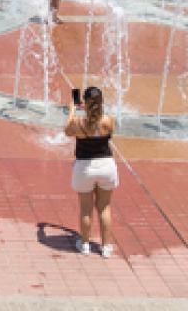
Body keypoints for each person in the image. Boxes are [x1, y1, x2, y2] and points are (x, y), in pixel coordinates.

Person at [66, 85, 118, 257]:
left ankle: (85, 244)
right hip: (106, 166)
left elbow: (67, 130)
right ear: (101, 102)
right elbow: (106, 132)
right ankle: (106, 247)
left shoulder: (79, 123)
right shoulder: (109, 120)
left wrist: (73, 110)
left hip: (85, 168)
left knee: (86, 209)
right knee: (104, 207)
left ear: (85, 104)